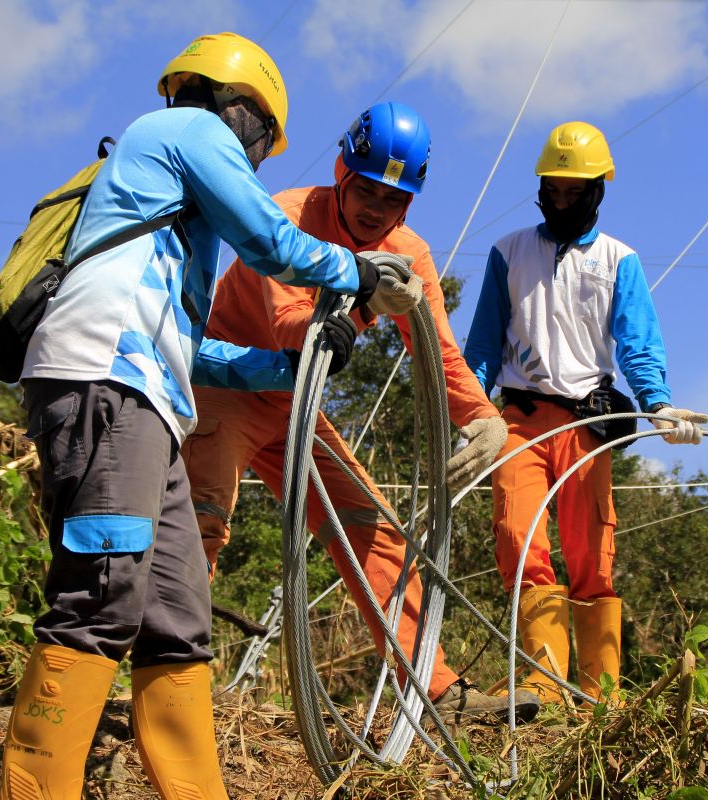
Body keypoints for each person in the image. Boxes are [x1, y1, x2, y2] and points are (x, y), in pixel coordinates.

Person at [0, 33, 403, 800]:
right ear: (241, 110)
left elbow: (193, 351)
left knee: (177, 615)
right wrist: (358, 271)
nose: (253, 162)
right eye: (260, 145)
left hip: (146, 399)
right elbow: (270, 240)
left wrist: (288, 368)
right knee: (102, 594)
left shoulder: (166, 212)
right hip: (103, 384)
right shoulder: (187, 131)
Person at [180, 101, 539, 725]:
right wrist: (353, 290)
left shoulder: (410, 254)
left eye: (394, 200)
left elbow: (438, 354)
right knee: (197, 523)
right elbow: (290, 323)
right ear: (342, 174)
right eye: (367, 191)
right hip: (226, 390)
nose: (376, 210)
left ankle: (435, 692)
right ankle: (166, 676)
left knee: (375, 531)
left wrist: (482, 418)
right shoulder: (290, 214)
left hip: (296, 405)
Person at [463, 121, 708, 705]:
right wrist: (470, 412)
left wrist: (659, 404)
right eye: (554, 189)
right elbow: (479, 345)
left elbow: (637, 341)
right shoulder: (508, 253)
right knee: (521, 541)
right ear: (542, 188)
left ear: (598, 191)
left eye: (576, 192)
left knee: (592, 555)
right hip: (520, 419)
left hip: (586, 425)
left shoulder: (619, 261)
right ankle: (541, 690)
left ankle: (604, 700)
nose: (562, 201)